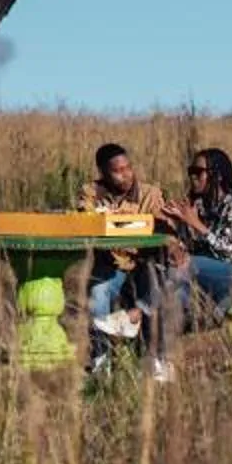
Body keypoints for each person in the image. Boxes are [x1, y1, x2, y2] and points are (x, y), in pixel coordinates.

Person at [76, 142, 182, 359]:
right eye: (117, 171)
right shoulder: (92, 193)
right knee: (98, 294)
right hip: (110, 265)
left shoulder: (150, 194)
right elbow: (84, 221)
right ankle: (100, 360)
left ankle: (151, 358)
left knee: (157, 290)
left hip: (142, 265)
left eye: (128, 168)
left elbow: (164, 228)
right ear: (103, 173)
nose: (125, 175)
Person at [178, 146, 232, 311]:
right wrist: (182, 223)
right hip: (209, 271)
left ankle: (138, 312)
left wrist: (196, 224)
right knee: (175, 278)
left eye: (198, 172)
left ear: (218, 176)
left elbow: (230, 251)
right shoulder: (201, 207)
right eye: (191, 171)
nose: (193, 177)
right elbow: (198, 249)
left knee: (187, 264)